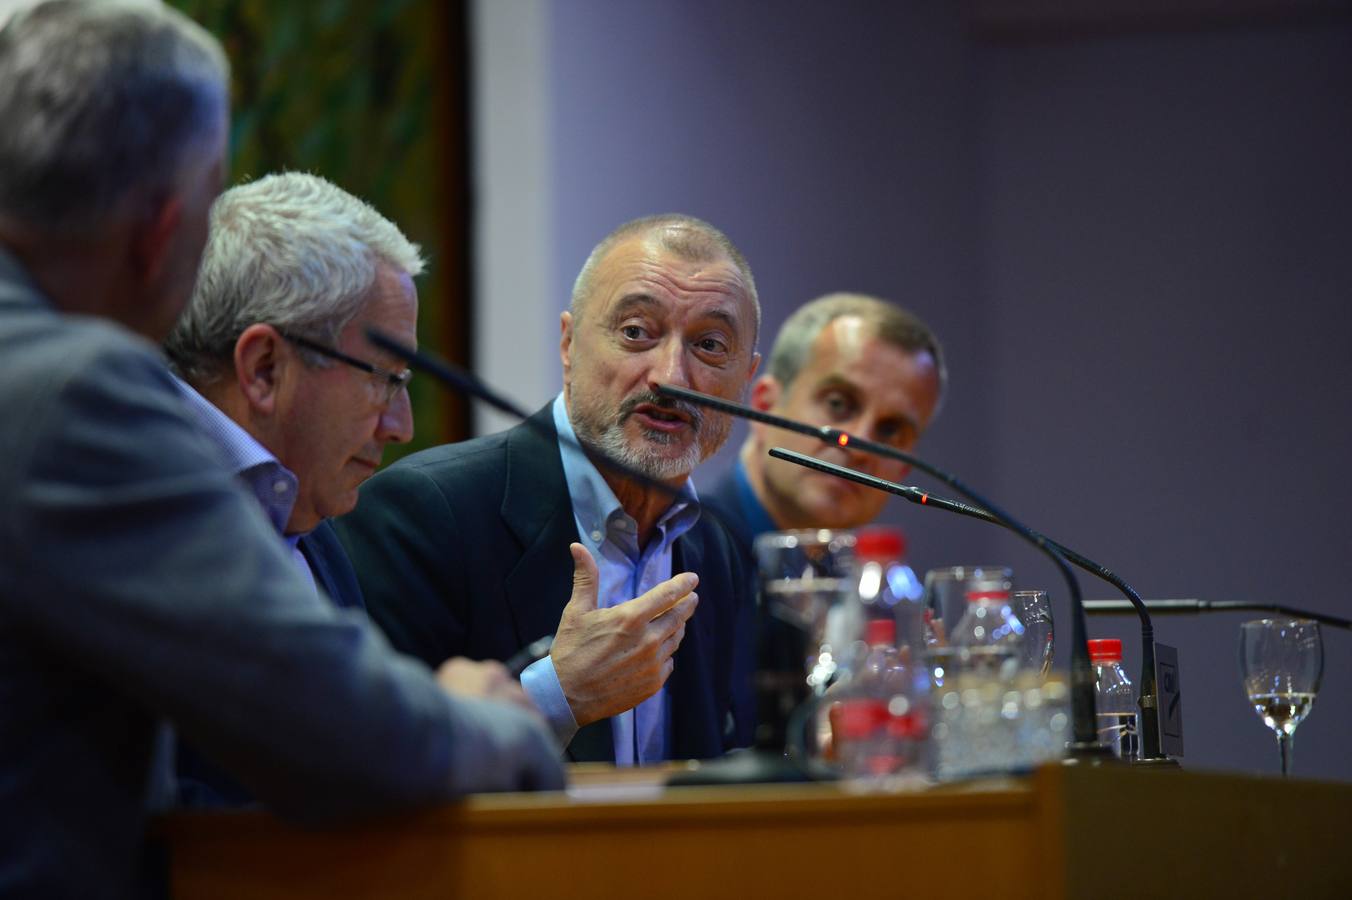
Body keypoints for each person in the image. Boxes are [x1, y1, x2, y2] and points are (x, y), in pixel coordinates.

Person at [0, 3, 561, 896]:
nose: (401, 423)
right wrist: (494, 717)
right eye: (385, 378)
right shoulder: (73, 393)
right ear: (159, 231)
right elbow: (335, 732)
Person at [336, 214, 762, 765]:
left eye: (709, 345)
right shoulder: (422, 512)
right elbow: (369, 763)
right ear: (568, 345)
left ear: (745, 378)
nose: (671, 376)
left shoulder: (716, 545)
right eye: (636, 332)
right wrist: (557, 694)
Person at [162, 171, 431, 804]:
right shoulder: (129, 503)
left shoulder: (309, 516)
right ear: (263, 370)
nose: (402, 426)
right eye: (384, 379)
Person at [702, 292, 945, 560]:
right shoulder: (678, 558)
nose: (859, 444)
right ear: (765, 406)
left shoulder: (872, 590)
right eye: (838, 404)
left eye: (889, 430)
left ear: (905, 466)